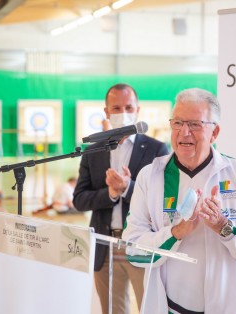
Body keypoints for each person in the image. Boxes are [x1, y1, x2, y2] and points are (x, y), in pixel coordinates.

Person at [122, 88, 236, 314]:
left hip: (228, 306)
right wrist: (176, 232)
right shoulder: (151, 176)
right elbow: (132, 249)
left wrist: (224, 227)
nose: (184, 132)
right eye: (177, 123)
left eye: (195, 124)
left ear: (214, 133)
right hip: (169, 307)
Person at [73, 83, 169, 314]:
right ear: (106, 112)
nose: (123, 112)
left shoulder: (157, 149)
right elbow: (79, 199)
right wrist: (111, 193)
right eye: (116, 107)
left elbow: (163, 199)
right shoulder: (92, 151)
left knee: (150, 307)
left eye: (128, 107)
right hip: (105, 245)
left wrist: (128, 187)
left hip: (141, 245)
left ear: (138, 109)